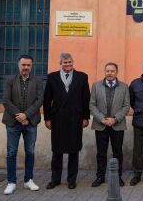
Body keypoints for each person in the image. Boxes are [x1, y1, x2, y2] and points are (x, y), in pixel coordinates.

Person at [44, 53, 90, 190]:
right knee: (57, 151)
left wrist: (86, 117)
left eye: (70, 62)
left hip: (75, 119)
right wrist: (47, 118)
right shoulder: (52, 77)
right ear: (60, 63)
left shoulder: (82, 77)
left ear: (73, 62)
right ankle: (55, 179)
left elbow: (86, 98)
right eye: (65, 62)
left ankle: (71, 180)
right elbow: (47, 99)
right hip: (57, 119)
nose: (68, 64)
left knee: (73, 151)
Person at [2, 54, 43, 195]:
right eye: (23, 65)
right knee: (11, 152)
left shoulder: (37, 81)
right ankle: (11, 182)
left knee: (30, 152)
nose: (26, 67)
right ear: (18, 65)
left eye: (28, 65)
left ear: (32, 66)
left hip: (31, 122)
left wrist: (26, 115)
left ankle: (28, 180)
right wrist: (19, 116)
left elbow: (39, 101)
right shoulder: (10, 80)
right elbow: (6, 100)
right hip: (13, 122)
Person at [89, 62, 130, 187]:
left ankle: (118, 177)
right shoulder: (96, 86)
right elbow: (92, 104)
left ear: (116, 72)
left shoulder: (124, 86)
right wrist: (102, 118)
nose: (110, 73)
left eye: (112, 71)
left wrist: (115, 119)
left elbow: (126, 105)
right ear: (104, 71)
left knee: (117, 152)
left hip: (117, 125)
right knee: (101, 152)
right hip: (101, 125)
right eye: (107, 71)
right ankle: (100, 176)